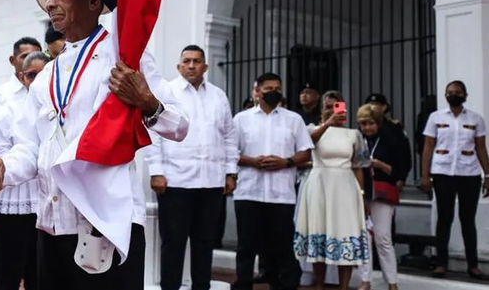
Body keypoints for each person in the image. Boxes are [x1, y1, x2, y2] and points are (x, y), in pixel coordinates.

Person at [0, 0, 189, 290]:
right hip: (52, 222)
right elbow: (29, 148)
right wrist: (2, 172)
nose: (50, 2)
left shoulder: (123, 55)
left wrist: (147, 101)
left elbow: (179, 126)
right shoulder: (46, 76)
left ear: (93, 0)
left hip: (106, 222)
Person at [144, 44, 236, 290]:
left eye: (197, 61)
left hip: (212, 181)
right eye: (187, 61)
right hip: (175, 181)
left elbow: (229, 135)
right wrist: (156, 171)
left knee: (205, 242)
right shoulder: (167, 92)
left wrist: (230, 172)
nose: (192, 66)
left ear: (205, 66)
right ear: (179, 66)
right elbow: (153, 132)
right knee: (173, 242)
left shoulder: (218, 96)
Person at [233, 72, 312, 290]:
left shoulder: (293, 119)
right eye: (269, 88)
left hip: (281, 194)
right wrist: (252, 161)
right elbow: (229, 152)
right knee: (246, 246)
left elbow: (305, 152)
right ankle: (243, 285)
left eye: (277, 88)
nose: (273, 92)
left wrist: (286, 162)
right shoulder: (241, 119)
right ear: (257, 91)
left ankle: (284, 286)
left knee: (282, 247)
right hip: (249, 191)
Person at [0, 51, 50, 290]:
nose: (37, 81)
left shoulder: (57, 109)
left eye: (43, 75)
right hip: (15, 197)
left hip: (44, 199)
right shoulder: (6, 110)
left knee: (39, 271)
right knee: (9, 269)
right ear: (21, 77)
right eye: (31, 75)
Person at [294, 92, 370, 290]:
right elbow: (306, 145)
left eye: (337, 107)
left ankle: (343, 286)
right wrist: (327, 124)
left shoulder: (354, 134)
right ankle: (319, 285)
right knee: (319, 232)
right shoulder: (312, 129)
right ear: (321, 109)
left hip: (345, 186)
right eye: (328, 107)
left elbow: (359, 166)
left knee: (345, 234)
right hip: (319, 184)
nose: (332, 111)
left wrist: (362, 195)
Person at [421, 80, 489, 280]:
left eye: (457, 92)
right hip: (442, 173)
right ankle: (441, 264)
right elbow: (428, 148)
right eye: (450, 92)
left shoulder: (476, 119)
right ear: (445, 95)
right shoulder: (435, 117)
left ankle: (473, 265)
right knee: (444, 218)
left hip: (469, 174)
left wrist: (487, 175)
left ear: (465, 95)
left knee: (468, 220)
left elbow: (481, 148)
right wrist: (425, 176)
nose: (453, 95)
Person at [356, 104, 404, 290]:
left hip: (382, 192)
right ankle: (365, 280)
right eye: (363, 124)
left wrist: (379, 165)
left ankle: (392, 282)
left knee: (383, 237)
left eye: (371, 123)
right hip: (361, 193)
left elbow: (399, 171)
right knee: (364, 237)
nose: (367, 128)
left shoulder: (390, 140)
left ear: (378, 123)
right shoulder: (357, 140)